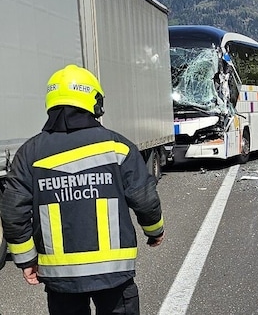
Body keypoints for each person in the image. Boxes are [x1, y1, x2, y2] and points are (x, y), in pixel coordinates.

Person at [0, 64, 164, 315]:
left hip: (60, 280)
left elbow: (13, 210)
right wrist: (154, 231)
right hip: (114, 275)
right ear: (93, 101)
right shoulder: (117, 147)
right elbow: (144, 197)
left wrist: (26, 259)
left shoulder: (29, 154)